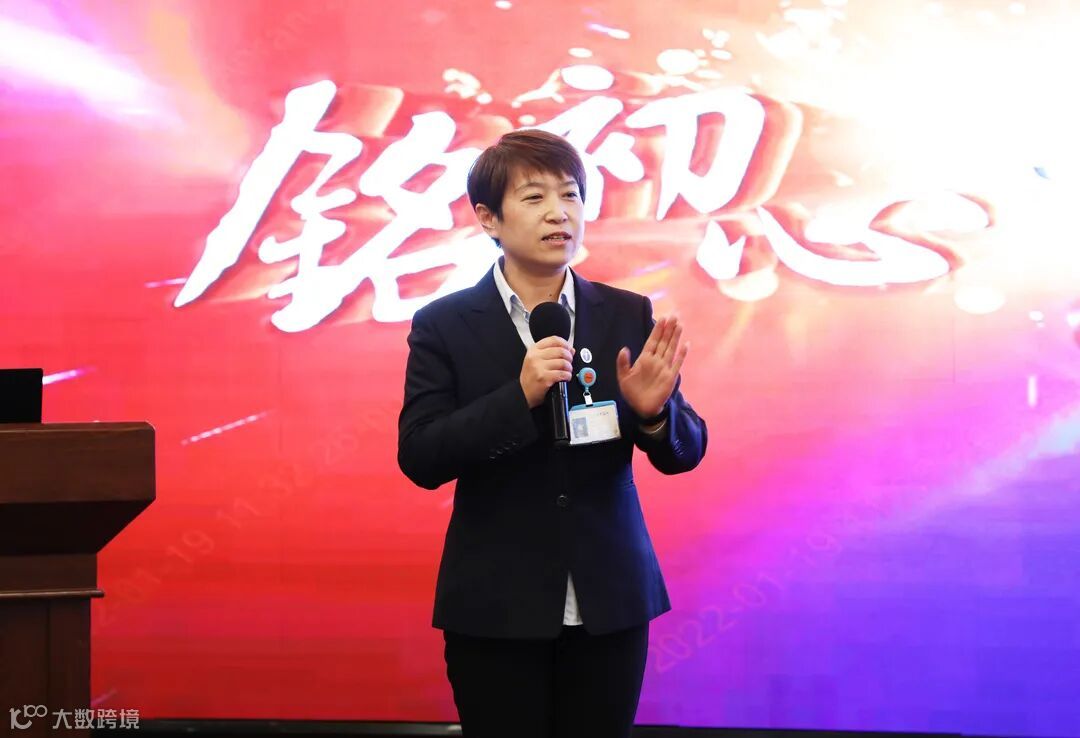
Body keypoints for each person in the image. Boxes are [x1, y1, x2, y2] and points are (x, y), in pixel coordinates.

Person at [397, 129, 708, 738]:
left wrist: (653, 415)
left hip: (610, 600)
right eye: (535, 197)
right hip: (496, 604)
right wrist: (518, 397)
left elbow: (686, 451)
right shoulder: (444, 325)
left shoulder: (626, 313)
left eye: (570, 195)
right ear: (488, 217)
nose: (559, 213)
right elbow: (421, 455)